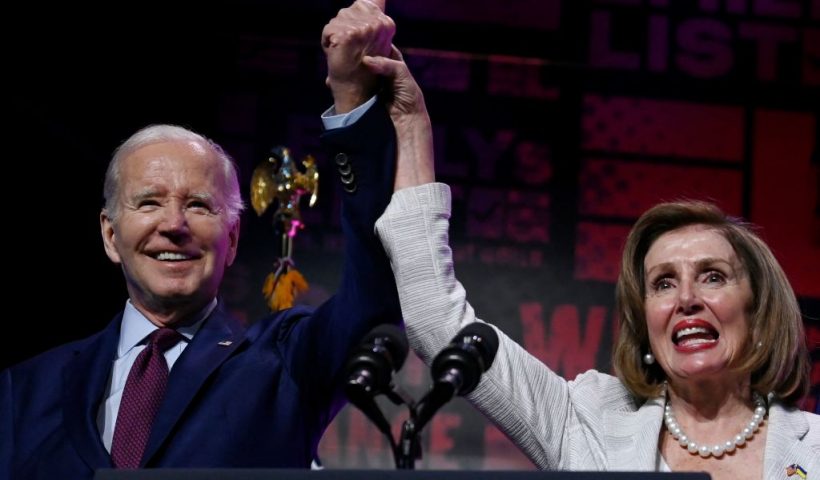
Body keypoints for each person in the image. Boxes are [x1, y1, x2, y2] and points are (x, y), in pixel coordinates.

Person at [362, 21, 820, 480]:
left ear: (757, 310)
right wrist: (410, 122)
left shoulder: (814, 446)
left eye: (713, 276)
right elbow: (435, 322)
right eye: (663, 283)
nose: (686, 299)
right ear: (646, 323)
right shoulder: (586, 421)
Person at [0, 1, 404, 478]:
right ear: (110, 235)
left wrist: (352, 100)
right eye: (149, 202)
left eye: (198, 205)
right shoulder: (24, 390)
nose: (174, 224)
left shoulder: (285, 365)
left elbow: (376, 290)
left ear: (232, 239)